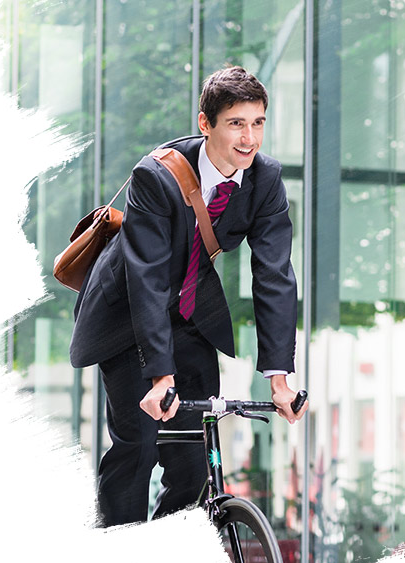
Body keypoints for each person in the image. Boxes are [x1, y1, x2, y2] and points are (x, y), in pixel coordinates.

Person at [69, 65, 308, 527]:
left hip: (188, 315)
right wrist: (160, 375)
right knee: (137, 447)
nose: (249, 138)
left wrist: (280, 377)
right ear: (206, 124)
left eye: (258, 122)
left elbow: (275, 276)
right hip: (127, 315)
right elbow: (147, 279)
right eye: (236, 123)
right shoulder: (156, 177)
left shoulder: (264, 181)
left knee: (196, 461)